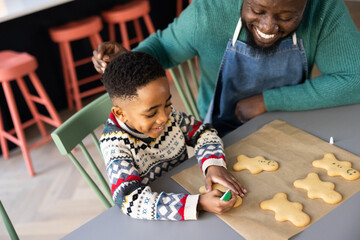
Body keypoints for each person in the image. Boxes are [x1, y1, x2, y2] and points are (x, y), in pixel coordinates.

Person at [93, 0, 360, 137]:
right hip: (219, 134)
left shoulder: (324, 8)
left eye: (286, 17)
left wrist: (267, 101)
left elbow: (355, 78)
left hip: (294, 118)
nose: (268, 27)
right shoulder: (209, 12)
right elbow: (162, 49)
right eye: (257, 9)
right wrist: (128, 59)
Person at [99, 51, 246, 220]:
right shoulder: (115, 145)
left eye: (167, 104)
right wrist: (198, 204)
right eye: (151, 113)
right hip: (159, 217)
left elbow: (202, 133)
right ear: (121, 114)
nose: (163, 117)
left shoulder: (170, 117)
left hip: (186, 188)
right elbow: (131, 201)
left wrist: (212, 164)